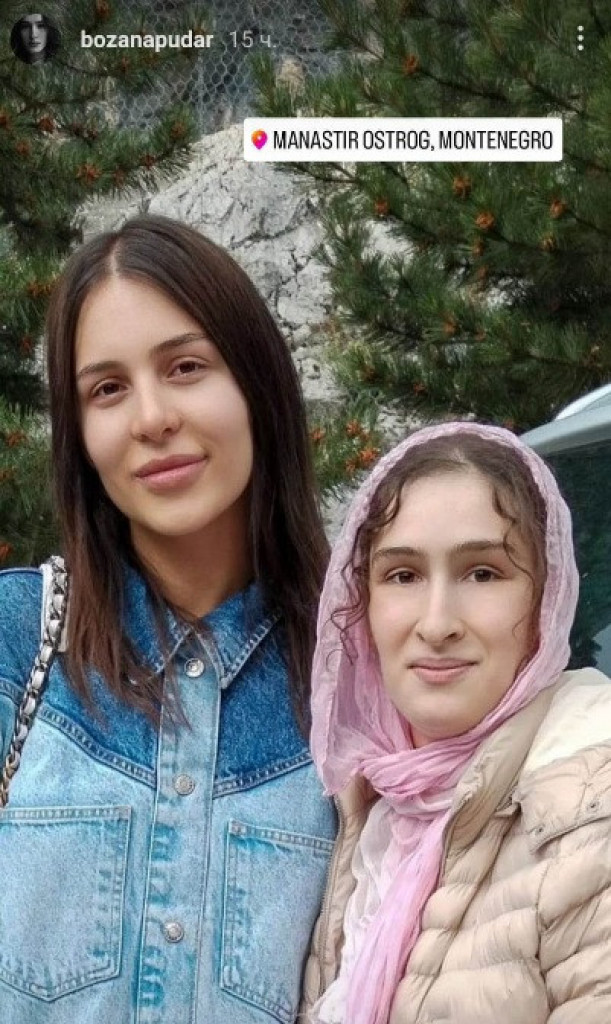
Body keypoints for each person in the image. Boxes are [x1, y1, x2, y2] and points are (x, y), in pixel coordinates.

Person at [0, 215, 337, 1023]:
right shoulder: (17, 637)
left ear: (255, 384)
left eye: (185, 367)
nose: (150, 418)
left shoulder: (353, 668)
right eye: (107, 389)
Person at [302, 421, 611, 1024]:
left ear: (544, 600)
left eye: (483, 573)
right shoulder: (366, 809)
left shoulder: (587, 821)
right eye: (403, 575)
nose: (438, 623)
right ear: (362, 605)